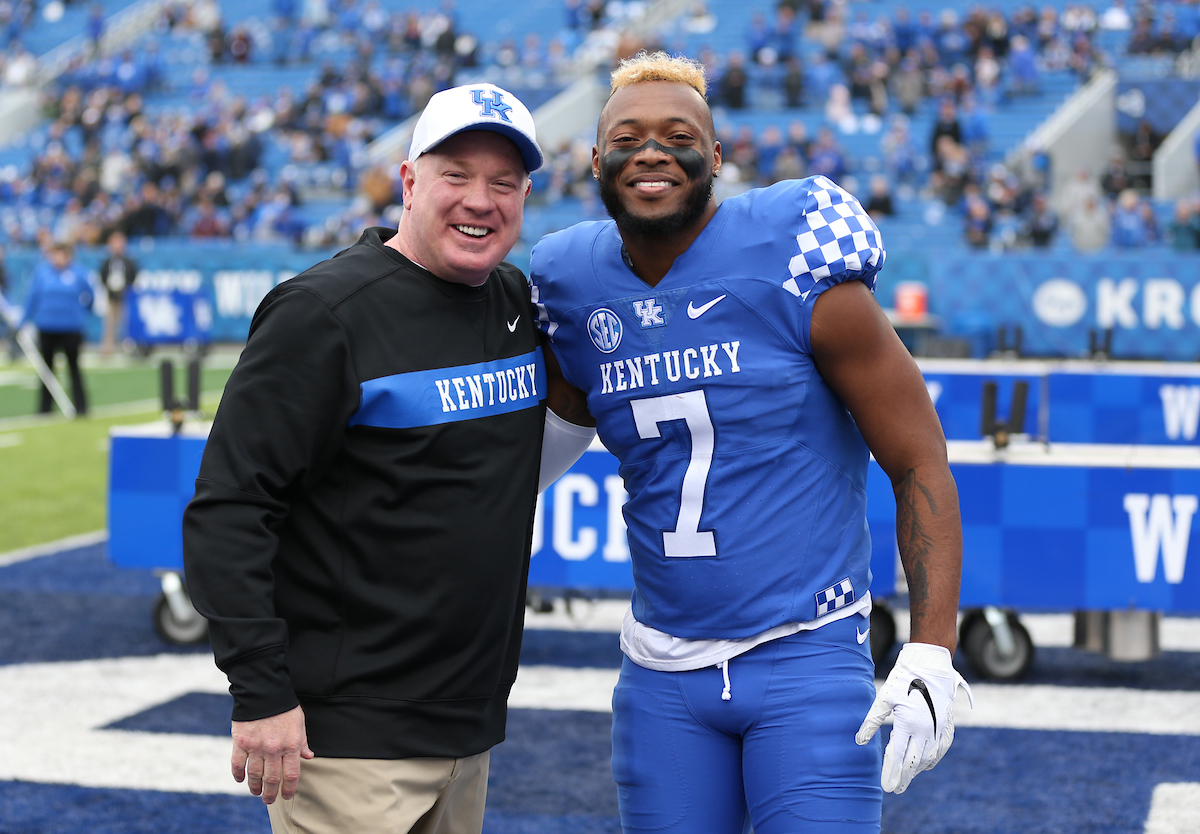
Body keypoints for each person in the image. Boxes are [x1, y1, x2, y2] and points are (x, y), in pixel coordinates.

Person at [530, 52, 969, 833]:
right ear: (595, 161)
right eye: (627, 138)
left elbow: (917, 459)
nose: (653, 152)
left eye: (678, 135)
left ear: (718, 157)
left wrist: (931, 651)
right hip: (660, 670)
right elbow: (530, 464)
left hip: (806, 653)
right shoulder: (570, 281)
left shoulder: (794, 256)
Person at [182, 82, 554, 834]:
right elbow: (230, 509)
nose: (480, 200)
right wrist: (261, 693)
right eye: (456, 176)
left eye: (503, 183)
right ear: (410, 181)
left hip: (469, 726)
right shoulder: (322, 315)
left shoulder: (516, 303)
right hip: (344, 742)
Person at [19, 241, 93, 416]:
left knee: (74, 368)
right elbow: (32, 298)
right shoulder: (42, 273)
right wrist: (23, 321)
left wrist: (81, 315)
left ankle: (81, 407)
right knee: (46, 370)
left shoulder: (78, 273)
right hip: (47, 327)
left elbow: (90, 296)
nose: (58, 258)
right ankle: (45, 409)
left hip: (71, 328)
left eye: (61, 254)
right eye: (55, 254)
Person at [98, 231, 138, 356]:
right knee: (109, 324)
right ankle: (108, 349)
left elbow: (133, 276)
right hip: (111, 297)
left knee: (126, 323)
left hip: (125, 297)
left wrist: (126, 287)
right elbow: (102, 277)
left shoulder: (128, 261)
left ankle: (127, 347)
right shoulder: (107, 261)